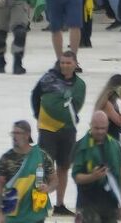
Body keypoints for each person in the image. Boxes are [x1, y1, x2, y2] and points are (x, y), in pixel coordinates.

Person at [32, 50, 87, 215]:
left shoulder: (80, 85)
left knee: (64, 166)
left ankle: (60, 204)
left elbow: (76, 105)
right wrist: (38, 116)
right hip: (47, 129)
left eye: (68, 63)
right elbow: (35, 95)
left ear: (76, 64)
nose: (65, 65)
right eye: (62, 62)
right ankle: (39, 201)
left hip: (67, 130)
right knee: (43, 166)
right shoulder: (49, 78)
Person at [0, 119, 54, 223]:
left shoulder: (41, 156)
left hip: (35, 213)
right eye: (13, 133)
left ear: (27, 135)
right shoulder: (5, 159)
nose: (14, 137)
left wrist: (48, 188)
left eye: (17, 133)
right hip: (13, 214)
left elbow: (54, 180)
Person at [71, 111, 121, 223]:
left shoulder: (115, 145)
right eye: (96, 128)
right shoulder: (80, 146)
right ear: (90, 125)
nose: (100, 131)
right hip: (87, 205)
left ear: (108, 126)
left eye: (103, 128)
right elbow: (76, 177)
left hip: (110, 204)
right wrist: (93, 176)